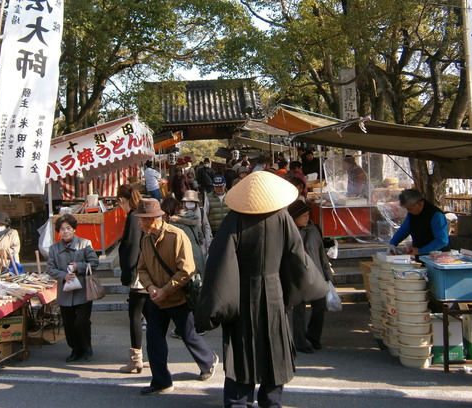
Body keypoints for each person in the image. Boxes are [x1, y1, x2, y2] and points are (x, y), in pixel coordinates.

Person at [195, 172, 328, 408]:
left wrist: (214, 306)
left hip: (242, 295)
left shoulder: (233, 220)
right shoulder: (283, 218)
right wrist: (296, 291)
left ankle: (239, 402)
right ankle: (271, 402)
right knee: (274, 349)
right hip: (275, 294)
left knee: (242, 352)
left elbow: (220, 264)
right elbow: (297, 259)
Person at [135, 198, 218, 395]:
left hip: (178, 297)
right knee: (154, 340)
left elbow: (186, 270)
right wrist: (151, 287)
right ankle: (161, 381)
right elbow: (142, 268)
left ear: (158, 218)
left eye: (146, 219)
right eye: (141, 219)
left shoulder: (176, 235)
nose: (142, 223)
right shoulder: (146, 240)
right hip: (157, 299)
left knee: (188, 335)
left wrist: (165, 290)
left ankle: (208, 361)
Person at [47, 214, 100, 363]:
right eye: (62, 229)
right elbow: (50, 269)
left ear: (74, 229)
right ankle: (75, 349)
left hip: (83, 290)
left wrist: (79, 266)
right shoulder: (54, 249)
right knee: (69, 324)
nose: (65, 231)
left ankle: (86, 346)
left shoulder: (85, 244)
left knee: (81, 322)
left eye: (68, 228)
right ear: (58, 232)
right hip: (65, 292)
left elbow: (94, 262)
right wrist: (63, 275)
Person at [287, 199, 334, 353]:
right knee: (299, 311)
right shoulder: (288, 232)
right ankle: (300, 342)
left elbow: (322, 254)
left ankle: (313, 336)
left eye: (308, 215)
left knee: (320, 306)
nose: (307, 218)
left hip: (317, 275)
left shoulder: (314, 230)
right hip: (298, 276)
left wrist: (327, 275)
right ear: (294, 217)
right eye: (303, 216)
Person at [116, 184, 148, 374]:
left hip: (139, 274)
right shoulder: (139, 214)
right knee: (150, 315)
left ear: (121, 200)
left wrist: (127, 273)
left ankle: (136, 358)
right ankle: (153, 354)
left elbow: (133, 248)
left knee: (135, 315)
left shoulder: (133, 216)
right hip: (147, 272)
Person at [388, 188, 449, 256]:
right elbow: (404, 230)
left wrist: (421, 251)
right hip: (420, 254)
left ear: (419, 204)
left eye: (410, 209)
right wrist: (393, 243)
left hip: (437, 257)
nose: (408, 211)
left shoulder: (436, 215)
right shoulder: (412, 214)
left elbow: (442, 240)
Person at [160, 195, 205, 276]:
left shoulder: (173, 225)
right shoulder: (191, 217)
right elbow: (201, 237)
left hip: (186, 257)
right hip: (198, 253)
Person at [203, 175, 231, 254]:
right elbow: (205, 214)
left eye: (220, 186)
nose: (218, 189)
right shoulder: (208, 197)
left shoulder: (231, 196)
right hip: (215, 230)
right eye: (216, 187)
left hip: (228, 230)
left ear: (225, 185)